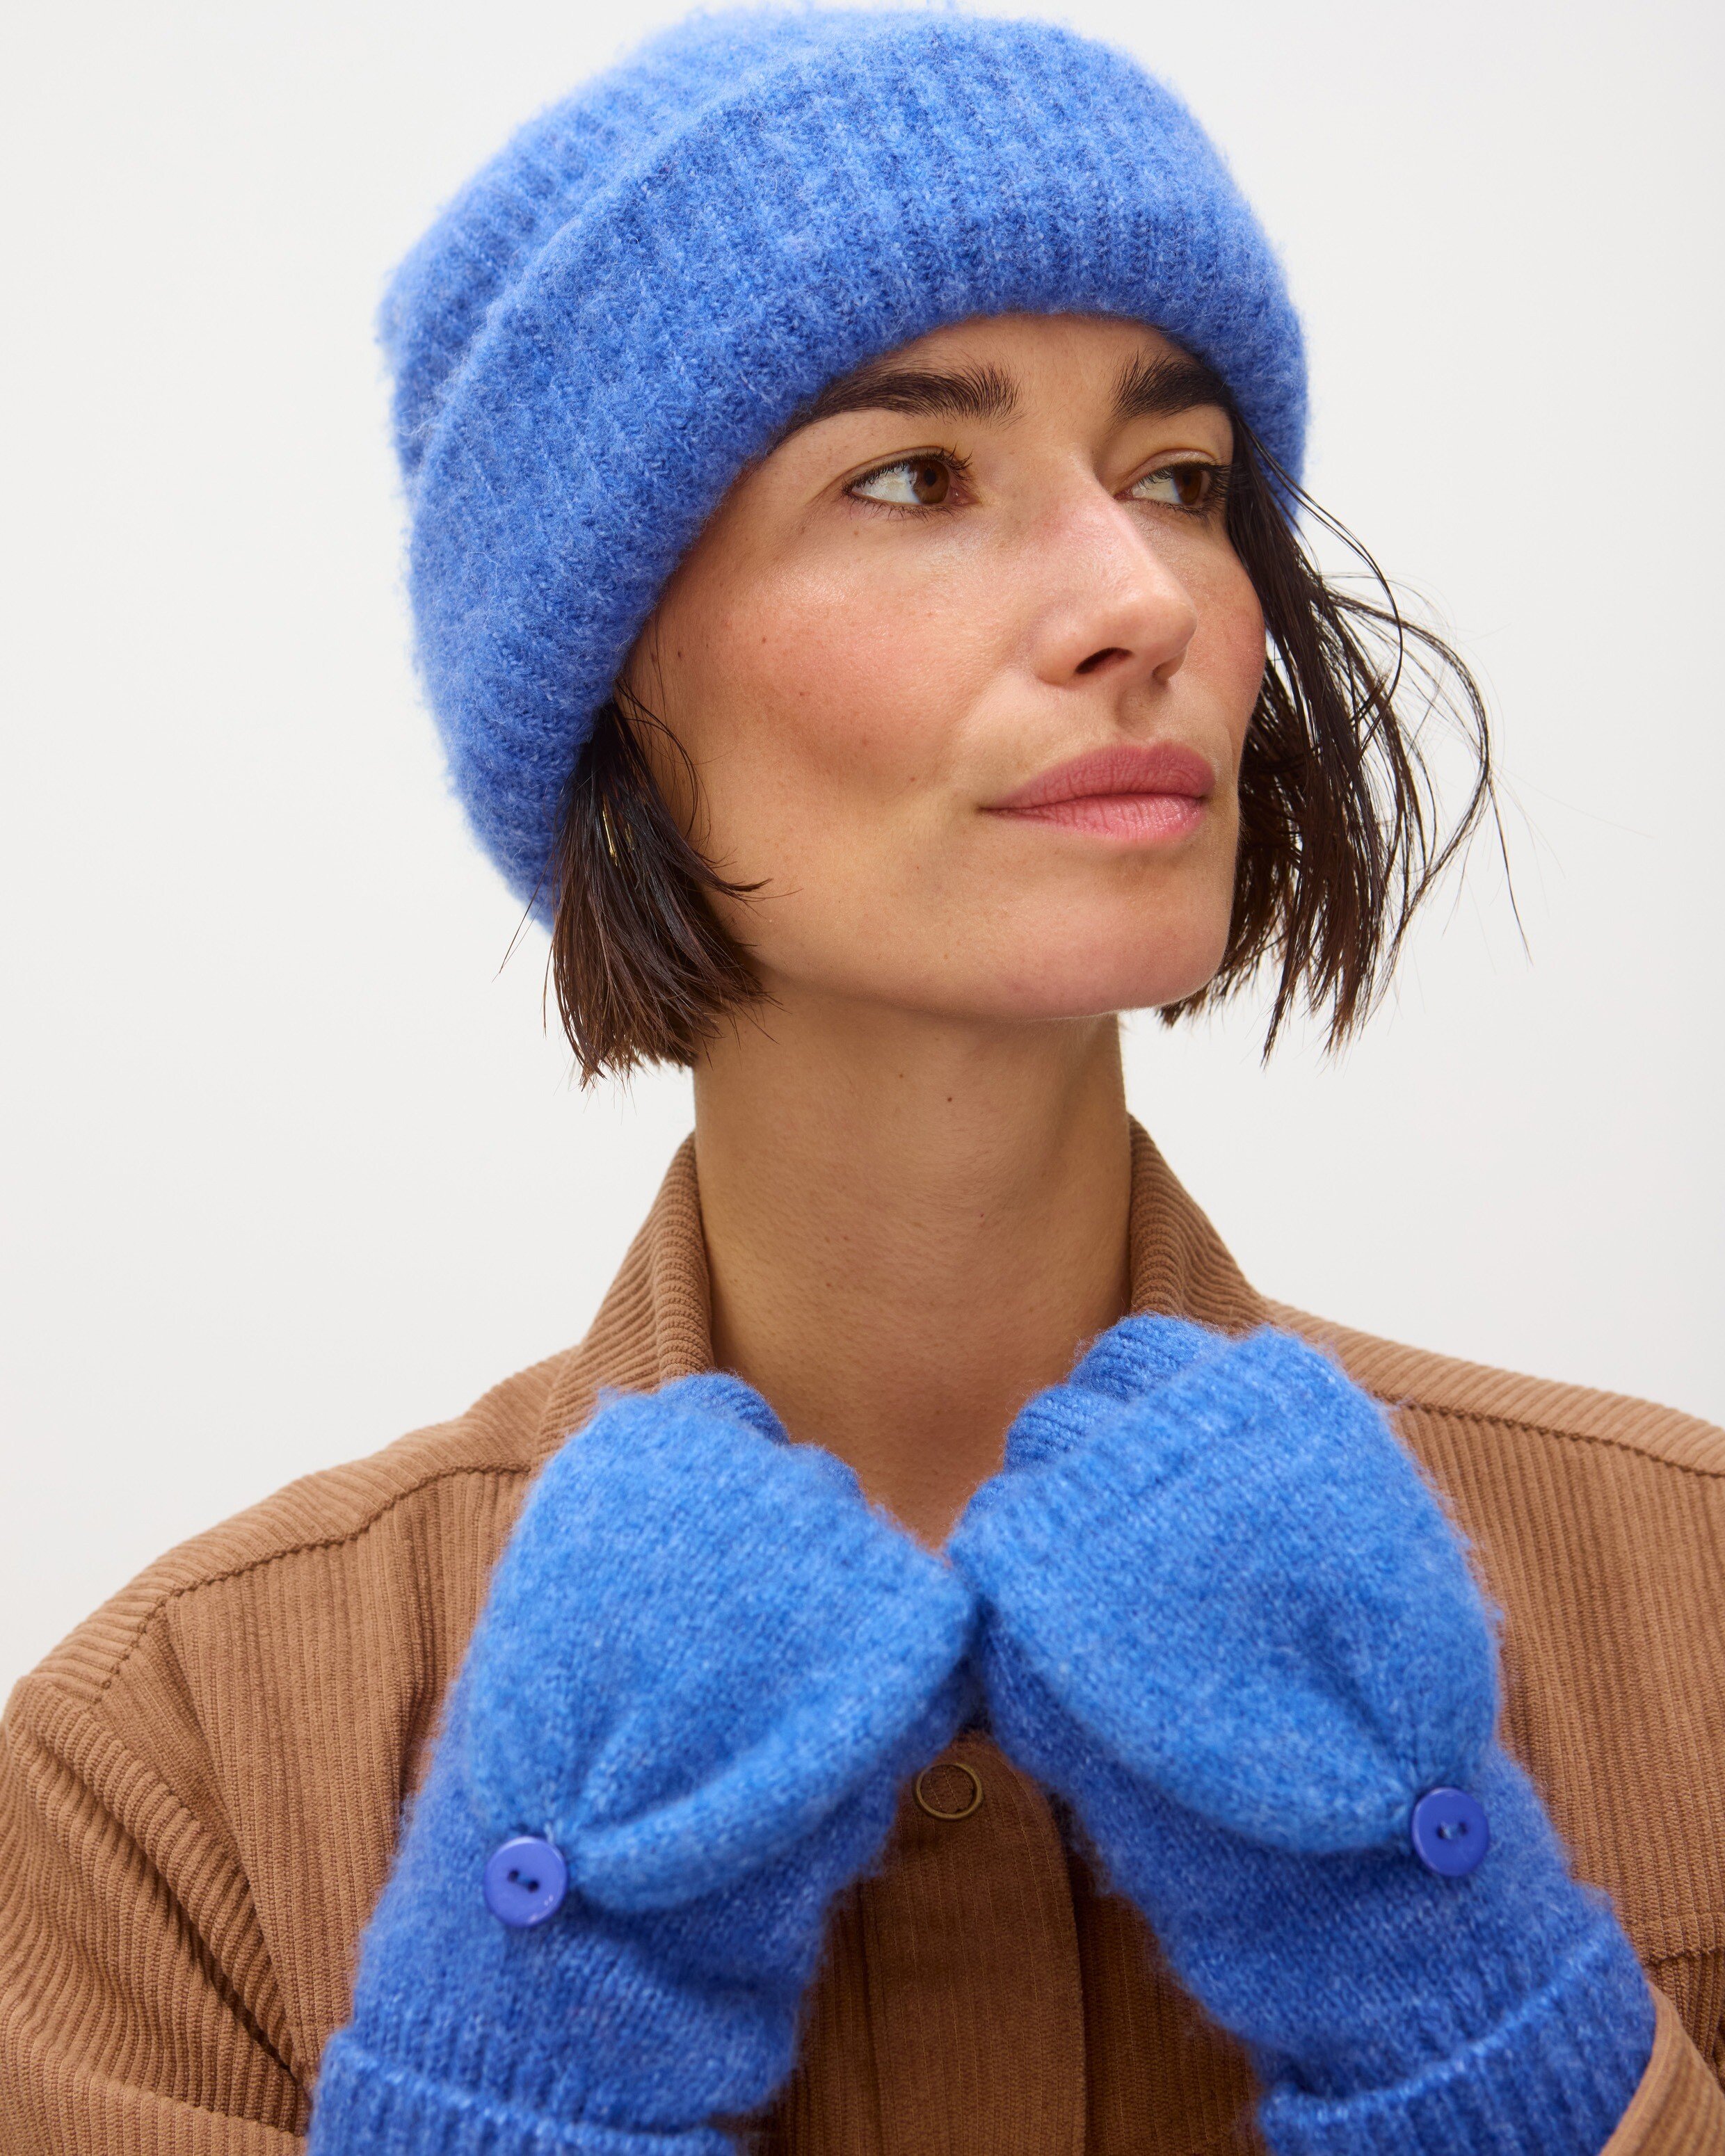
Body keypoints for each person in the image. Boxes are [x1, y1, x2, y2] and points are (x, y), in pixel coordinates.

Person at [3, 10, 1721, 2154]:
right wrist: (516, 2062)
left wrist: (1471, 1992)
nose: (1140, 600)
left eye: (1180, 479)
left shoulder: (1691, 1593)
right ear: (608, 670)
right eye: (913, 477)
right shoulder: (162, 1782)